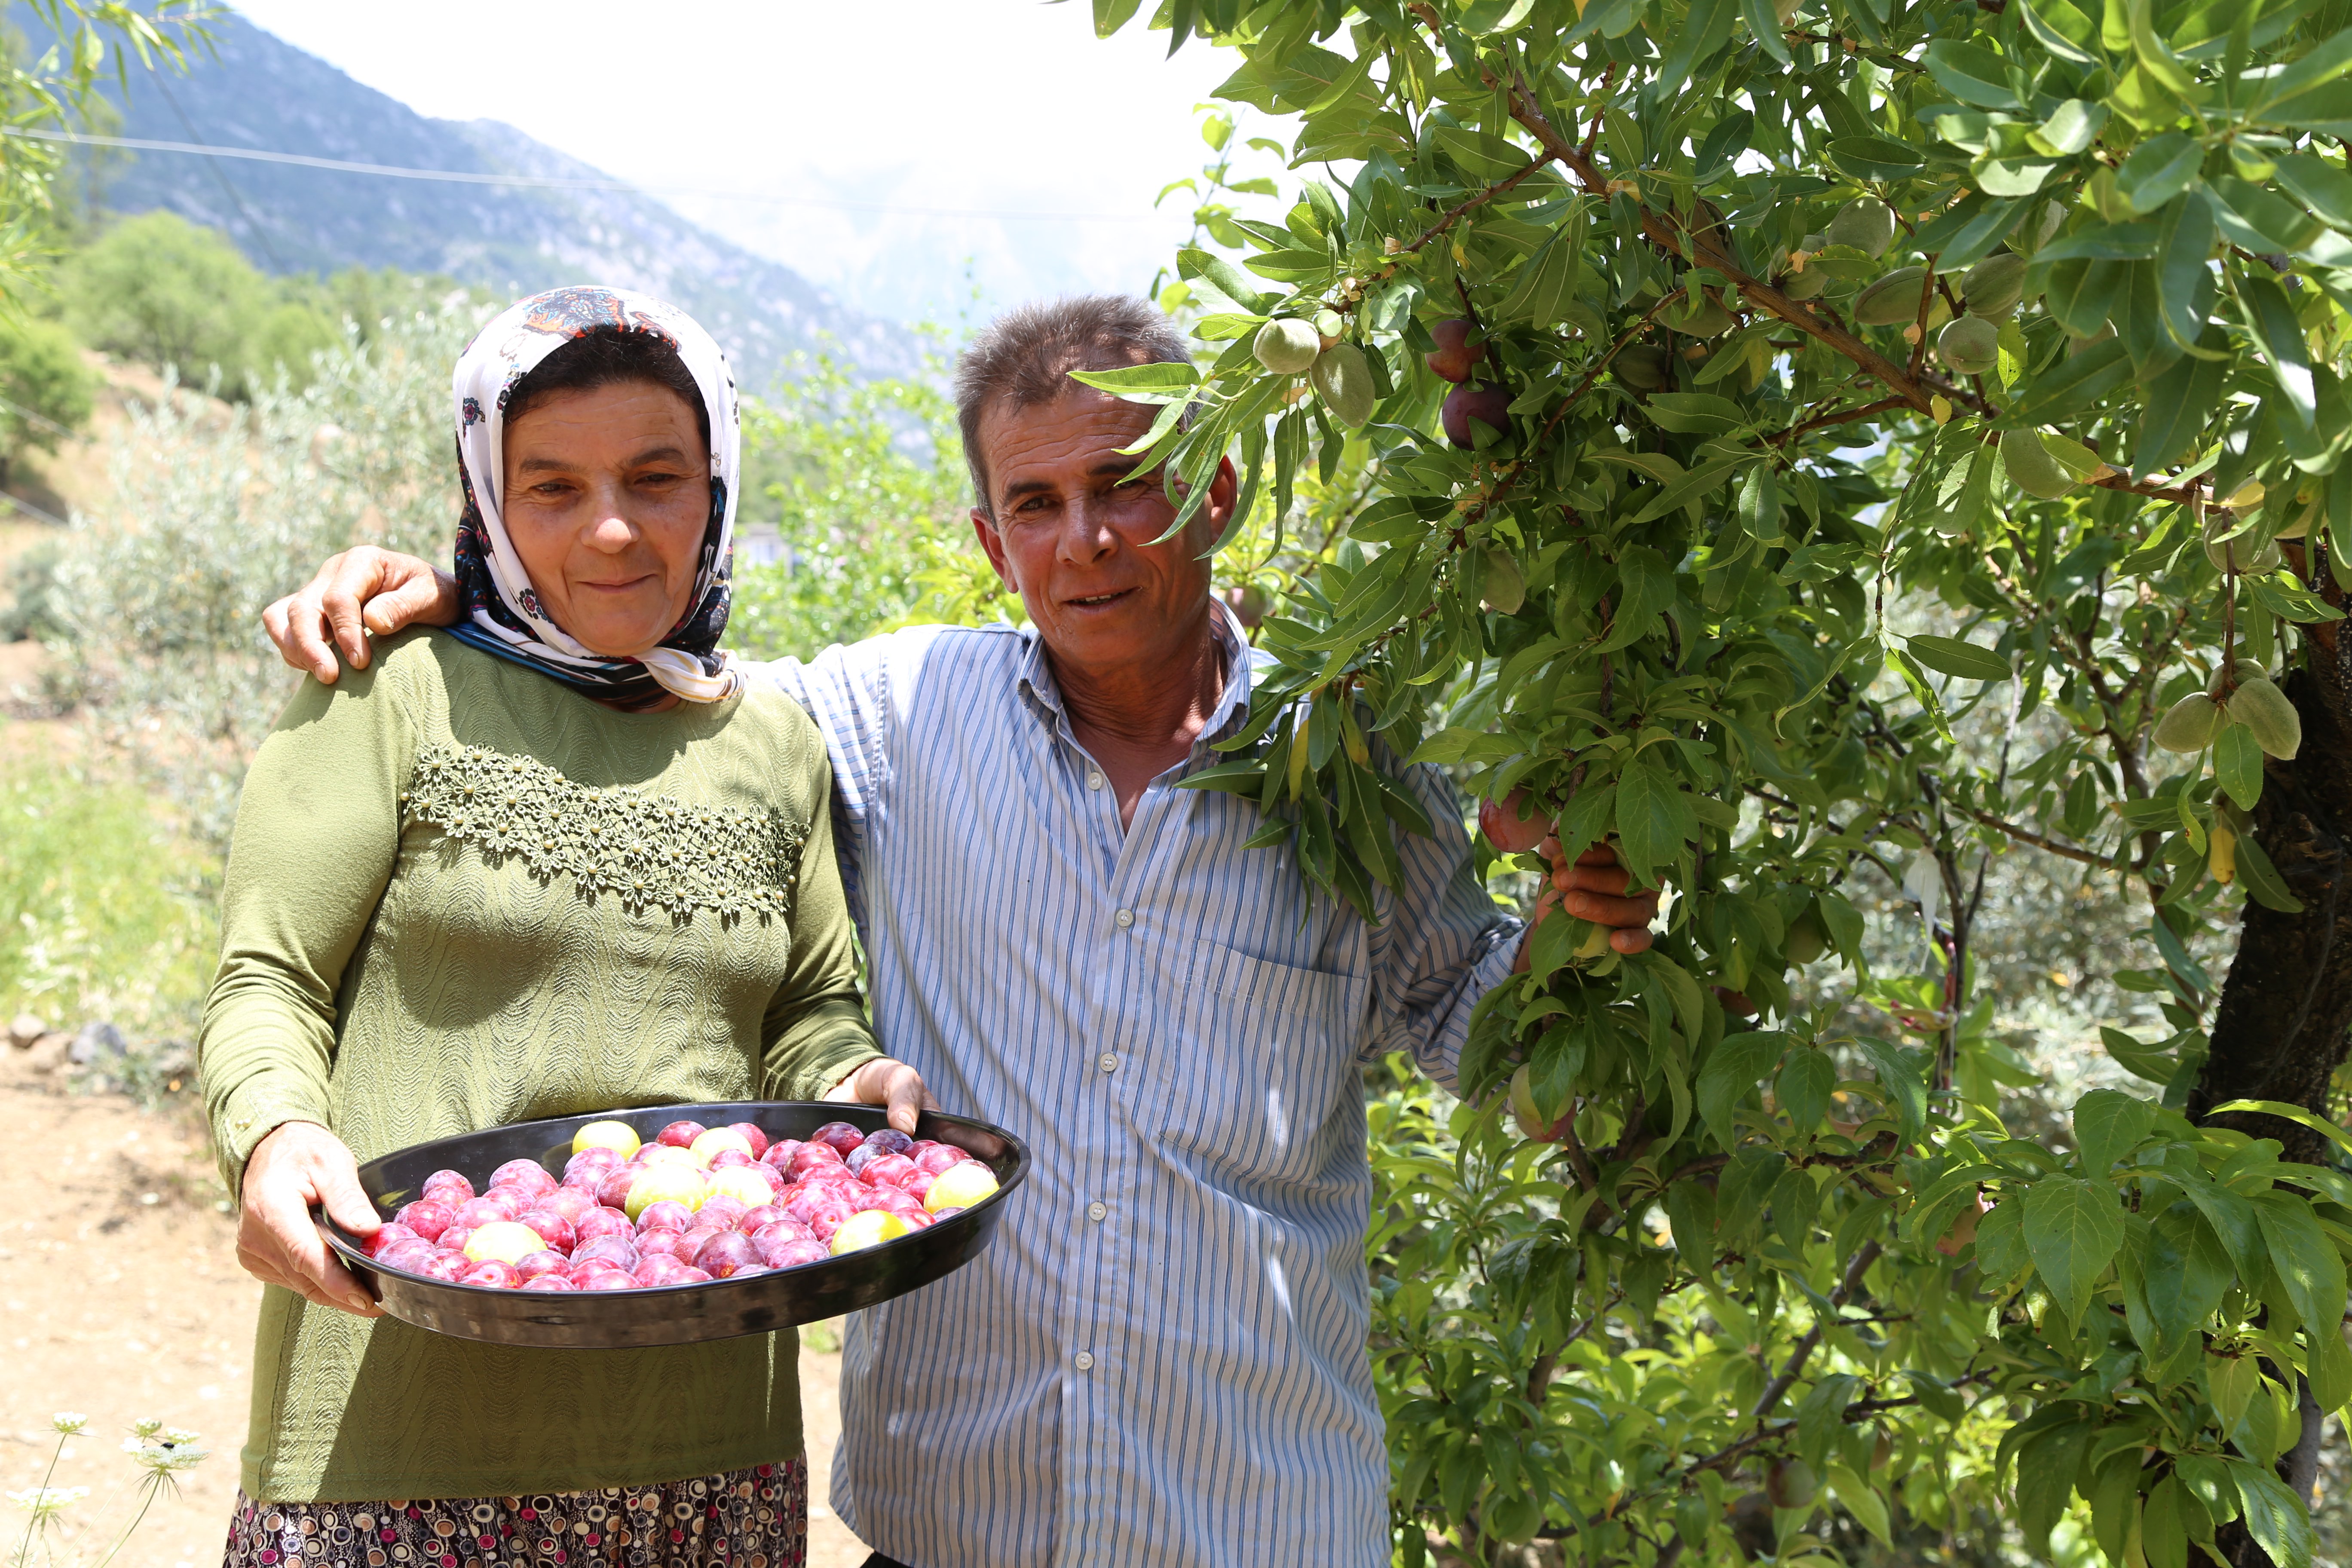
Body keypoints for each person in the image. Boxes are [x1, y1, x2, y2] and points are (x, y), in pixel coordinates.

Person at [263, 294, 1660, 1568]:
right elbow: (645, 663)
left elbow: (1520, 1073)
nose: (1085, 539)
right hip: (954, 1530)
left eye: (1126, 483)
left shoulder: (1350, 764)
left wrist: (1580, 925)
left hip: (1257, 1519)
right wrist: (475, 593)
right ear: (993, 544)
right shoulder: (893, 718)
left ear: (1218, 487)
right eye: (1035, 503)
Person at [205, 284, 932, 1568]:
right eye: (550, 489)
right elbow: (270, 975)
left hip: (705, 1445)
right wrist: (272, 1133)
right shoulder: (388, 687)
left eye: (658, 478)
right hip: (400, 1432)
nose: (610, 529)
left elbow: (809, 1019)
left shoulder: (769, 742)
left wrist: (859, 1082)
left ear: (717, 484)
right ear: (489, 500)